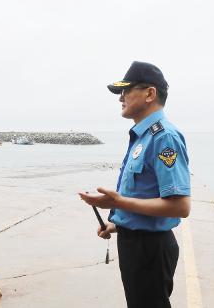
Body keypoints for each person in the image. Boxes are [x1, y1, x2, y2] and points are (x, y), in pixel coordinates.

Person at [79, 61, 191, 308]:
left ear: (150, 94)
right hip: (135, 243)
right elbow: (143, 194)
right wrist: (116, 223)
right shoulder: (143, 136)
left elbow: (180, 206)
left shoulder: (164, 137)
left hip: (150, 248)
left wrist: (117, 202)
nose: (121, 98)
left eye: (126, 91)